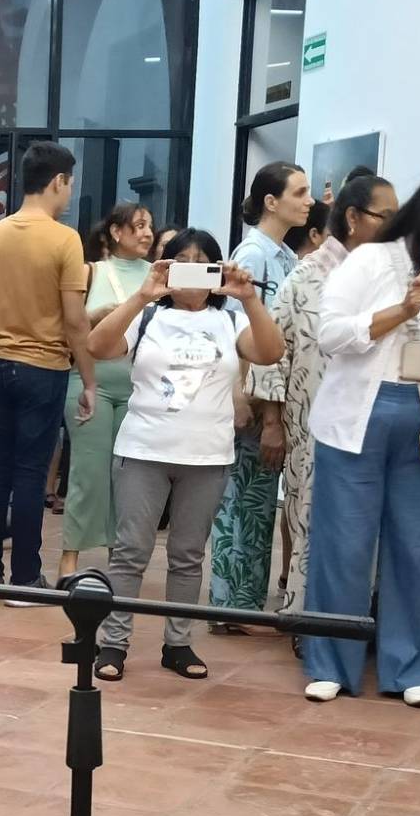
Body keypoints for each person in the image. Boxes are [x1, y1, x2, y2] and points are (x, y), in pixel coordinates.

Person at [300, 167, 420, 708]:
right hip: (355, 418)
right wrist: (400, 311)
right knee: (344, 542)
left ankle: (412, 667)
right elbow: (331, 335)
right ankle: (330, 662)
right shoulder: (370, 259)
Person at [86, 232, 283, 682]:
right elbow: (97, 347)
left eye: (202, 263)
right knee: (130, 552)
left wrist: (249, 299)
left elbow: (272, 352)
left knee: (188, 555)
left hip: (207, 457)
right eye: (181, 261)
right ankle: (113, 643)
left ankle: (178, 643)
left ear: (216, 272)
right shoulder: (149, 316)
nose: (191, 271)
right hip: (143, 449)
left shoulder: (230, 321)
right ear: (165, 267)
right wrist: (142, 295)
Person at [248, 173, 399, 622]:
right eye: (385, 217)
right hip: (313, 426)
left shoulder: (396, 280)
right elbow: (272, 351)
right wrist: (273, 423)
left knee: (375, 527)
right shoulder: (306, 276)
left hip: (381, 423)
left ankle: (369, 618)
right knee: (314, 524)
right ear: (352, 219)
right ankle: (308, 618)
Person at [0, 140, 95, 604]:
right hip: (44, 367)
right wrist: (89, 380)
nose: (68, 194)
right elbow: (75, 319)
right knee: (29, 473)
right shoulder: (64, 239)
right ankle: (25, 578)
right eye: (70, 184)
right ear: (59, 181)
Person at [213, 161, 312, 629]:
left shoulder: (285, 256)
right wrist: (240, 395)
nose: (308, 201)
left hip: (273, 393)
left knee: (257, 500)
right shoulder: (252, 254)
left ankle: (243, 603)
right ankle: (229, 605)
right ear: (271, 201)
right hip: (253, 395)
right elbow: (236, 326)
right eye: (300, 192)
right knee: (242, 501)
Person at [55, 202, 154, 582]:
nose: (146, 233)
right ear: (115, 232)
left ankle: (120, 555)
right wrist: (102, 316)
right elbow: (70, 329)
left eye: (149, 227)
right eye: (139, 226)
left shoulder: (158, 277)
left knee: (128, 477)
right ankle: (70, 556)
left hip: (141, 389)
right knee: (88, 471)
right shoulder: (90, 272)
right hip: (88, 383)